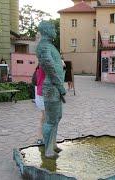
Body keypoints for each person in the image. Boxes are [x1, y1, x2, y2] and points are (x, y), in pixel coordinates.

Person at [37, 21, 66, 158]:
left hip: (55, 87)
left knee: (57, 117)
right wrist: (60, 86)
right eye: (53, 28)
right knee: (50, 120)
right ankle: (48, 150)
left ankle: (52, 144)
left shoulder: (49, 46)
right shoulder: (43, 47)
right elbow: (49, 66)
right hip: (51, 87)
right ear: (46, 30)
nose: (55, 30)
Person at [35, 65, 46, 144]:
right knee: (46, 118)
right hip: (44, 95)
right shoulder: (44, 67)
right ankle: (44, 138)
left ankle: (40, 138)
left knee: (43, 117)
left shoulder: (39, 67)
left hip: (40, 94)